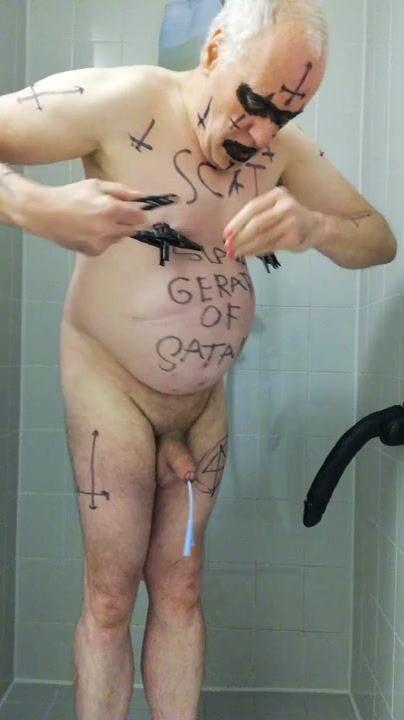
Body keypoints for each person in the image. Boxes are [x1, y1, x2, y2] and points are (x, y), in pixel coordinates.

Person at [0, 0, 397, 718]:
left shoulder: (280, 151)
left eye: (286, 116)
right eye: (254, 104)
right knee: (111, 599)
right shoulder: (119, 100)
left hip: (201, 406)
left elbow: (379, 239)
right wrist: (36, 207)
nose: (263, 134)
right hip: (113, 392)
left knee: (181, 588)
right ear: (214, 50)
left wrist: (313, 226)